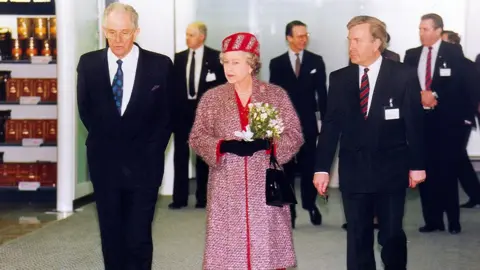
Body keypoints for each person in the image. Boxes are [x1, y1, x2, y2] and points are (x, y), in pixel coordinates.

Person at [313, 16, 426, 270]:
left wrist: (417, 165)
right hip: (354, 170)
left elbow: (414, 123)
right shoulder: (340, 78)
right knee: (357, 236)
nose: (351, 46)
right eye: (349, 40)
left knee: (391, 235)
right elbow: (331, 126)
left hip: (391, 170)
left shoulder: (403, 75)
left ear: (376, 43)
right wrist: (321, 169)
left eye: (357, 40)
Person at [189, 32, 303, 270]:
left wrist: (269, 147)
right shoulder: (212, 98)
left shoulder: (275, 95)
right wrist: (223, 146)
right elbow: (197, 137)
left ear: (252, 63)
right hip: (226, 185)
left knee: (267, 250)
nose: (228, 68)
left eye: (235, 62)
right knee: (228, 253)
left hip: (265, 183)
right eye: (225, 62)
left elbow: (294, 135)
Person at [77, 3, 173, 270]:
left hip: (145, 166)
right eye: (111, 32)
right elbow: (85, 111)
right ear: (103, 30)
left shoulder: (160, 65)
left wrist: (151, 151)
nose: (118, 39)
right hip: (104, 163)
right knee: (111, 234)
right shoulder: (88, 64)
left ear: (136, 31)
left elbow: (166, 117)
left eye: (125, 32)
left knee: (138, 236)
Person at [404, 13, 473, 234]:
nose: (421, 33)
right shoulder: (412, 55)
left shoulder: (453, 52)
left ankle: (453, 220)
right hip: (421, 122)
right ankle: (432, 220)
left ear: (438, 31)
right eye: (420, 29)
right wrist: (420, 95)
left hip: (446, 121)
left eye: (426, 29)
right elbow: (406, 84)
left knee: (447, 171)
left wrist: (434, 93)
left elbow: (457, 83)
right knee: (424, 170)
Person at [269, 20, 327, 228]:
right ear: (289, 38)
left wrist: (326, 123)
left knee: (309, 166)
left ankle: (310, 205)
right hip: (284, 127)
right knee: (286, 169)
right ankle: (289, 210)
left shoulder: (316, 61)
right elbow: (274, 96)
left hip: (309, 124)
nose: (304, 39)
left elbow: (322, 93)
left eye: (306, 35)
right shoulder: (277, 63)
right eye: (299, 36)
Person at [169, 22, 226, 210]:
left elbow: (222, 88)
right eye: (186, 34)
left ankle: (203, 198)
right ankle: (179, 198)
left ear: (202, 36)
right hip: (182, 113)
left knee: (202, 156)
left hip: (205, 113)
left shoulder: (216, 58)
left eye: (191, 35)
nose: (187, 38)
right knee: (180, 155)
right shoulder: (179, 58)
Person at [441, 30, 480, 208]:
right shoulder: (443, 64)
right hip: (447, 120)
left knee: (457, 157)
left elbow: (474, 94)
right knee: (459, 158)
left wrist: (468, 117)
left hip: (463, 119)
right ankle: (475, 194)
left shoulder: (467, 65)